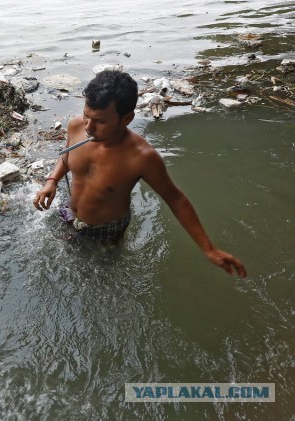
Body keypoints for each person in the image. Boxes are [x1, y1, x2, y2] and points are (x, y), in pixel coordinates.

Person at [33, 70, 246, 278]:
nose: (89, 127)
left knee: (101, 275)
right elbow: (66, 154)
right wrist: (52, 181)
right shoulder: (76, 126)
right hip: (70, 212)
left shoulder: (141, 157)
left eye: (100, 121)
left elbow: (177, 199)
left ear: (126, 119)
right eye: (86, 116)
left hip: (105, 230)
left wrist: (208, 249)